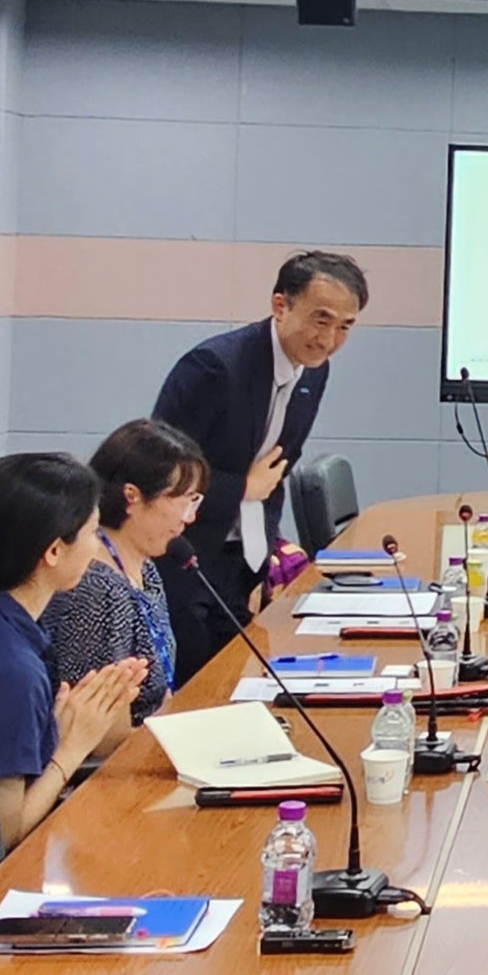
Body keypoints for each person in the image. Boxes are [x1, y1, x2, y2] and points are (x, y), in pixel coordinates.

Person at [152, 249, 366, 684]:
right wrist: (241, 488)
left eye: (345, 327)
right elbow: (158, 472)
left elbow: (277, 470)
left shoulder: (313, 371)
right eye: (320, 319)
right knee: (196, 689)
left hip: (240, 562)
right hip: (184, 555)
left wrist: (263, 554)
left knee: (237, 685)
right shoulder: (215, 368)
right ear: (280, 305)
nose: (328, 340)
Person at [0, 452, 148, 848]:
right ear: (53, 551)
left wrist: (57, 728)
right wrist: (73, 748)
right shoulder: (9, 672)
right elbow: (4, 837)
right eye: (92, 533)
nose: (97, 548)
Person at [41, 418, 209, 737]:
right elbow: (96, 736)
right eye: (184, 499)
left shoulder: (145, 566)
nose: (191, 516)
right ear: (132, 497)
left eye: (195, 500)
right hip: (110, 767)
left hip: (151, 738)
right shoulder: (94, 588)